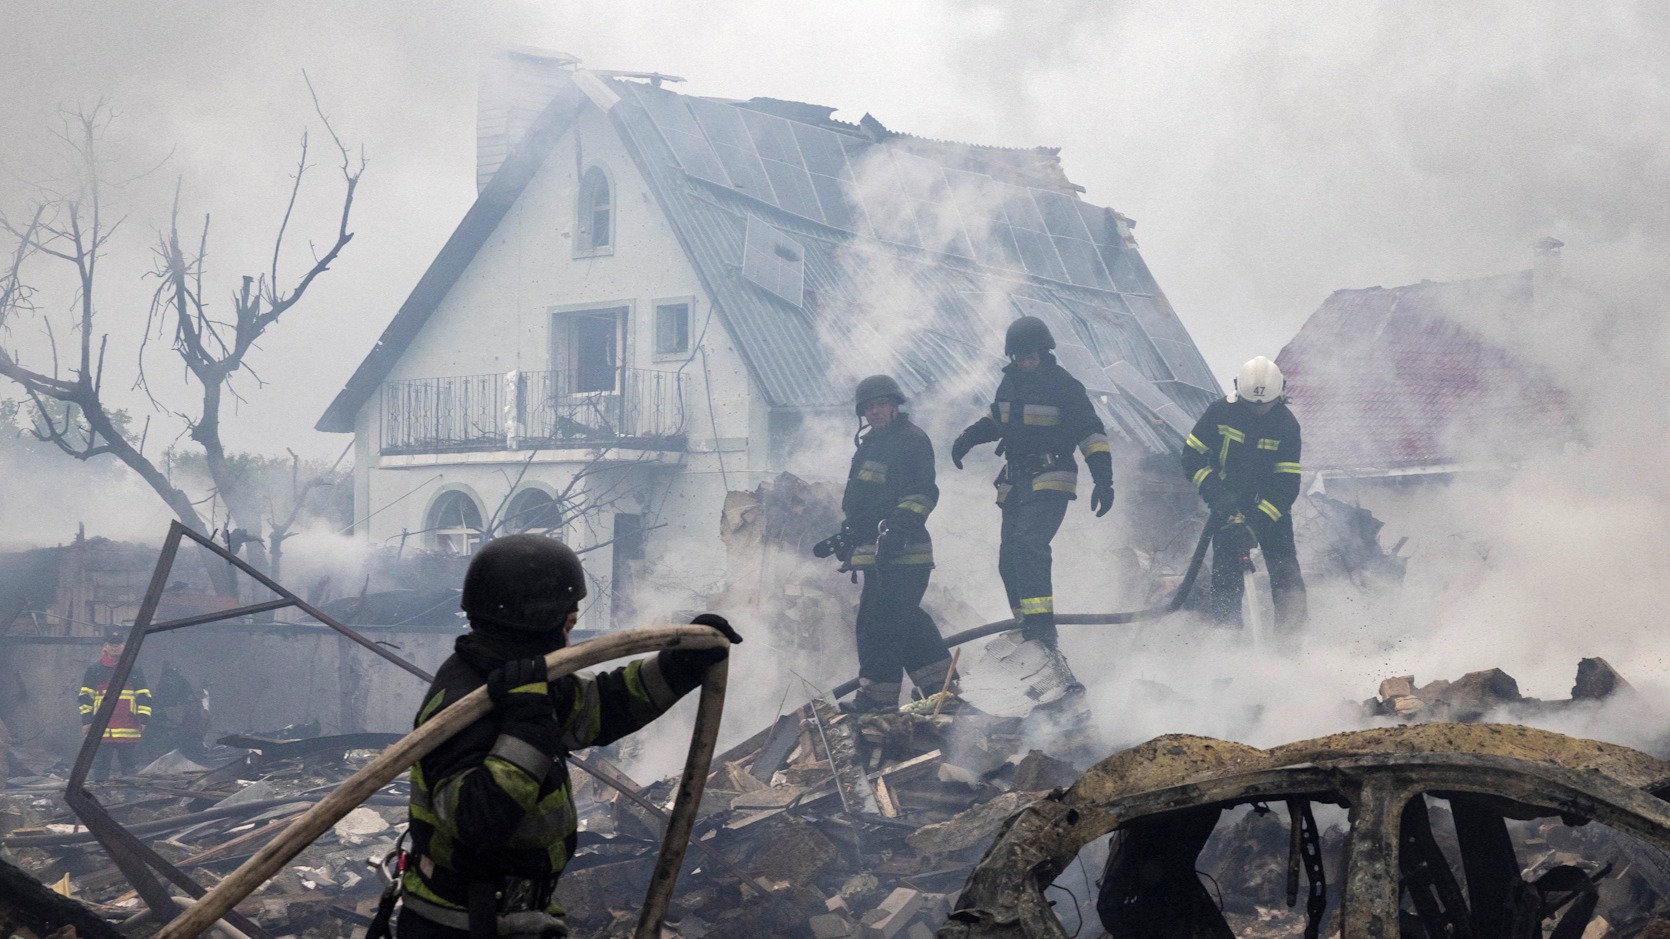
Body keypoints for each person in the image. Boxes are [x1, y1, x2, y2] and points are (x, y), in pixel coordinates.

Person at [395, 534, 741, 939]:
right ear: (534, 623)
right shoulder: (464, 702)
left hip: (516, 916)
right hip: (460, 927)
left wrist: (679, 666)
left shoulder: (522, 682)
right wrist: (527, 726)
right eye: (567, 625)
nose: (568, 641)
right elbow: (477, 822)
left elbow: (604, 707)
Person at [950, 316, 1115, 693]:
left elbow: (1091, 433)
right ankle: (1027, 628)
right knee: (1008, 556)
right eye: (1020, 356)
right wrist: (968, 437)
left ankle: (1042, 631)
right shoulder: (1009, 383)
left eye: (1032, 355)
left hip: (1052, 476)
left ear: (1044, 352)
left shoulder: (1064, 386)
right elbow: (997, 417)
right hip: (1017, 480)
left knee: (1028, 545)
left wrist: (1103, 479)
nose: (1026, 361)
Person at [815, 375, 956, 713]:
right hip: (881, 558)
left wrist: (897, 528)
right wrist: (850, 534)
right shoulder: (871, 444)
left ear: (895, 405)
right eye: (869, 407)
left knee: (880, 628)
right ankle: (942, 691)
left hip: (906, 554)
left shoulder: (910, 440)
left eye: (881, 404)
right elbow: (865, 501)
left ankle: (877, 702)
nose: (875, 411)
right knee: (904, 622)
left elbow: (923, 492)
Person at [1180, 355, 1307, 632]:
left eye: (1265, 404)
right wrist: (1218, 495)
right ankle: (1229, 644)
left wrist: (1258, 521)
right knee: (1225, 581)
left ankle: (1291, 644)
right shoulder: (1219, 413)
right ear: (1239, 390)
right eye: (1252, 404)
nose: (1259, 410)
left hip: (1271, 511)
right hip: (1226, 507)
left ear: (1280, 393)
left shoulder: (1286, 425)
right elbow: (1192, 458)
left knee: (1286, 576)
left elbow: (1287, 484)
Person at [79, 626, 151, 781]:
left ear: (124, 646)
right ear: (105, 646)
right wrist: (86, 721)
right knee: (100, 766)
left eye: (118, 643)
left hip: (128, 727)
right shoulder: (94, 670)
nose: (115, 647)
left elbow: (143, 696)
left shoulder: (134, 669)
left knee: (129, 766)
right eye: (111, 643)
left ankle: (130, 793)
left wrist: (144, 718)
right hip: (101, 728)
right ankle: (100, 792)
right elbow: (85, 698)